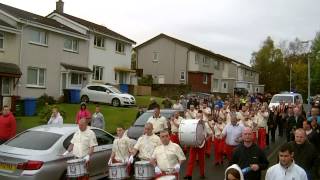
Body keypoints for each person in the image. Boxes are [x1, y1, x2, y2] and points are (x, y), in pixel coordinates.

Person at [184, 110, 212, 179]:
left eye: (200, 116)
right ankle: (189, 175)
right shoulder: (192, 123)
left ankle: (202, 174)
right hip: (193, 145)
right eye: (198, 116)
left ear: (202, 117)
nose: (199, 118)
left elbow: (210, 134)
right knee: (191, 160)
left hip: (201, 145)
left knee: (201, 161)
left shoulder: (204, 124)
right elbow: (187, 133)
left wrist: (206, 139)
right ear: (196, 117)